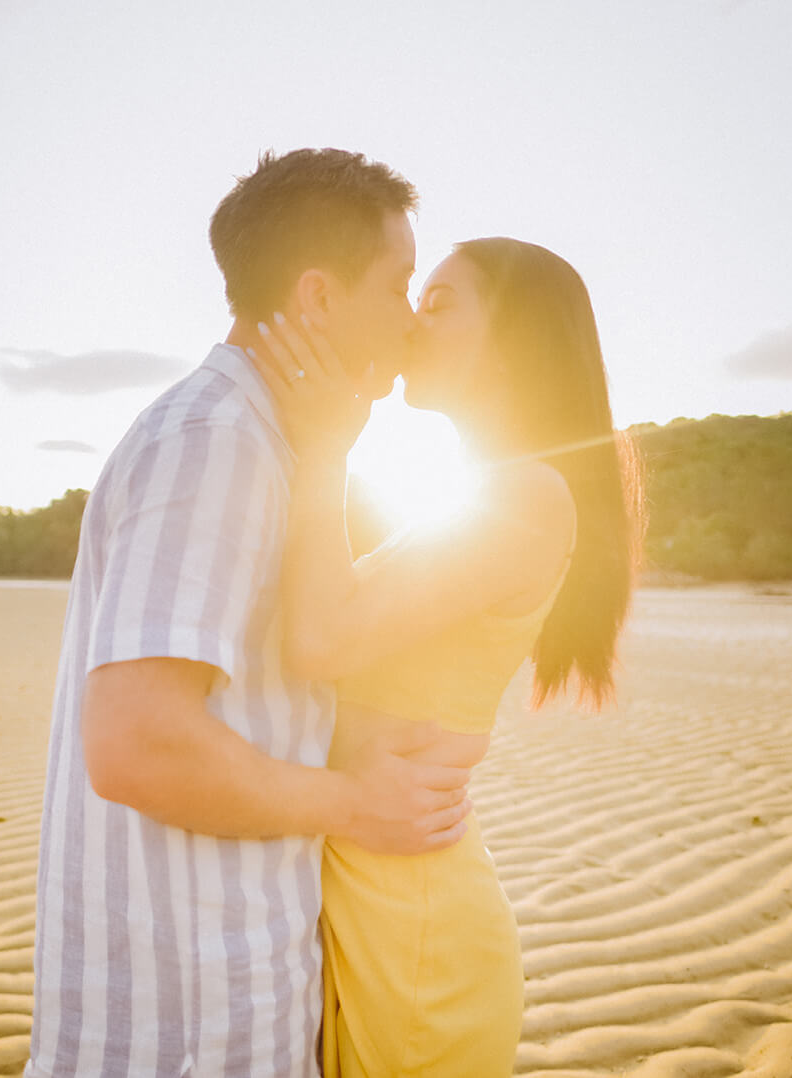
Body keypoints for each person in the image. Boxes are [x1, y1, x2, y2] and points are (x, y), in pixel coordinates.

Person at [24, 148, 475, 1078]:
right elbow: (138, 744)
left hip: (224, 988)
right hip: (184, 1021)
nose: (407, 322)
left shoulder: (272, 445)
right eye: (396, 287)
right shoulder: (216, 442)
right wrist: (359, 805)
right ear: (316, 297)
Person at [250, 235, 642, 1076]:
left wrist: (325, 441)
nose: (410, 322)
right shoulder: (486, 491)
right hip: (371, 880)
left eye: (437, 304)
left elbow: (320, 638)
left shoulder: (525, 495)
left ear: (514, 334)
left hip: (413, 929)